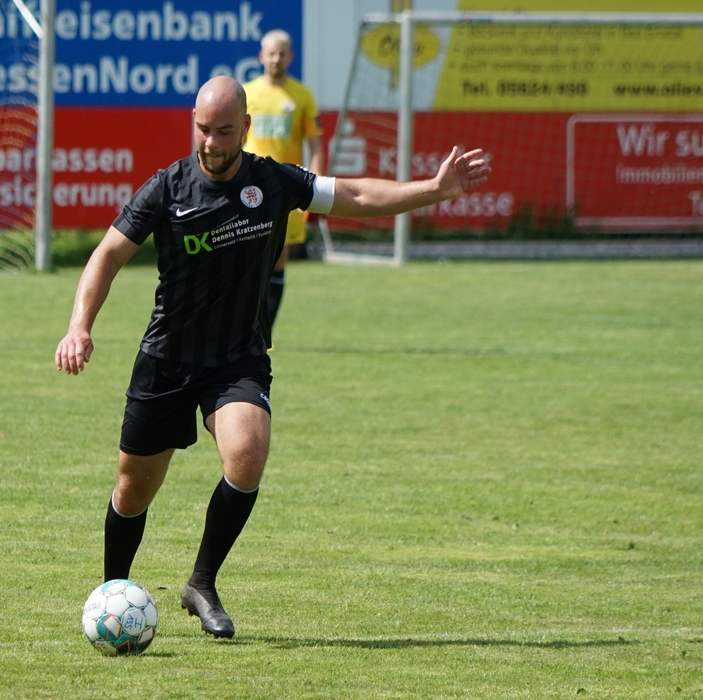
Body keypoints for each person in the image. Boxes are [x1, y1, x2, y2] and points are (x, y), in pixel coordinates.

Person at [55, 75, 490, 639]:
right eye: (202, 129)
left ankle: (201, 582)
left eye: (223, 131)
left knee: (247, 454)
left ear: (245, 127)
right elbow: (107, 255)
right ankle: (112, 594)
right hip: (168, 357)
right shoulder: (167, 188)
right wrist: (79, 326)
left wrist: (433, 189)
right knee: (133, 488)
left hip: (237, 356)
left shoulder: (274, 181)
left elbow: (356, 196)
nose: (211, 142)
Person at [243, 29, 324, 341]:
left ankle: (264, 336)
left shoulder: (301, 96)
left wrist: (316, 190)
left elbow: (315, 146)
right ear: (261, 57)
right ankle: (242, 331)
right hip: (249, 188)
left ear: (291, 56)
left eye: (282, 54)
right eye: (271, 54)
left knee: (278, 261)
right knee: (248, 260)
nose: (276, 59)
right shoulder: (246, 94)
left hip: (287, 190)